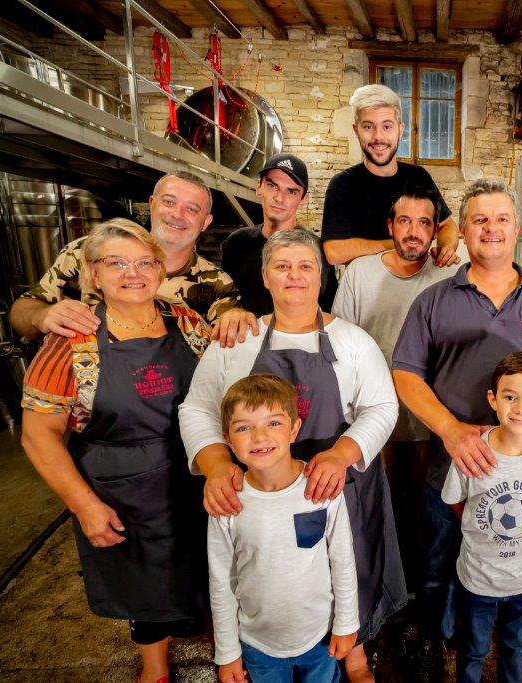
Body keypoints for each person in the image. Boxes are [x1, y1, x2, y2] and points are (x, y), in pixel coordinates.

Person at [179, 228, 404, 683]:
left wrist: (341, 455)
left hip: (334, 486)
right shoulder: (239, 340)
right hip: (257, 492)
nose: (294, 276)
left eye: (306, 266)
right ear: (265, 276)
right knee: (266, 575)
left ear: (322, 276)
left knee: (348, 564)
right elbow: (198, 406)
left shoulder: (352, 341)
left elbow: (383, 406)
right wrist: (216, 464)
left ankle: (354, 653)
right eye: (282, 266)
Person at [392, 178, 522, 679]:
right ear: (461, 230)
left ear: (518, 229)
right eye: (479, 219)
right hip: (454, 465)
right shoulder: (435, 301)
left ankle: (516, 637)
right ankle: (439, 637)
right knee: (439, 562)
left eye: (502, 218)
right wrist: (451, 429)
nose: (491, 228)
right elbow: (405, 373)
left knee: (520, 558)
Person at [19, 219, 213, 683]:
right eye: (117, 263)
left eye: (145, 262)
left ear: (159, 269)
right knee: (143, 583)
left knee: (203, 569)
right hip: (122, 484)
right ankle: (156, 670)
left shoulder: (185, 322)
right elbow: (37, 435)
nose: (133, 272)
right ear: (93, 272)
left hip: (192, 471)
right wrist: (84, 505)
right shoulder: (73, 338)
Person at [331, 185, 456, 590]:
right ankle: (382, 586)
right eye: (405, 221)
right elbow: (338, 343)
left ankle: (421, 586)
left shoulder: (449, 272)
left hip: (427, 413)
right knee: (380, 501)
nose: (414, 232)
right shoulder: (361, 273)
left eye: (424, 223)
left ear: (436, 230)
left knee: (423, 501)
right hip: (373, 412)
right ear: (390, 226)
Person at [209, 374, 358, 683]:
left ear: (294, 429)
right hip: (258, 645)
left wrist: (346, 623)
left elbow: (342, 561)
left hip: (319, 639)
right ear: (228, 438)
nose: (260, 436)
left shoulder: (322, 488)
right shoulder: (227, 502)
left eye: (273, 423)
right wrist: (227, 652)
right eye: (244, 427)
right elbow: (222, 580)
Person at [442, 352, 522, 683]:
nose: (520, 408)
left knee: (514, 646)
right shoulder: (471, 453)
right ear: (493, 399)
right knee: (473, 648)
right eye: (510, 397)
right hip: (478, 579)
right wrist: (479, 525)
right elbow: (457, 503)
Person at [9, 171, 255, 347]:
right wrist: (41, 316)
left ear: (206, 222)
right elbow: (23, 310)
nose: (177, 215)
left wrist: (239, 319)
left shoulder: (216, 283)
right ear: (152, 204)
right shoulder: (88, 252)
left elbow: (229, 340)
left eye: (192, 209)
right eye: (169, 202)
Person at [321, 84, 460, 268]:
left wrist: (446, 247)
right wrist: (399, 244)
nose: (378, 137)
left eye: (387, 126)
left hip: (417, 284)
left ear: (400, 130)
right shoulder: (343, 184)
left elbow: (447, 225)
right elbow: (334, 251)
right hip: (365, 288)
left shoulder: (418, 176)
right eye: (368, 126)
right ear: (356, 130)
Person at [221, 153, 338, 315]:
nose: (279, 197)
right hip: (249, 338)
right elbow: (225, 300)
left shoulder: (318, 250)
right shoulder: (236, 243)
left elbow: (328, 310)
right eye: (272, 186)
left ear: (304, 199)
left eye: (291, 191)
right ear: (258, 187)